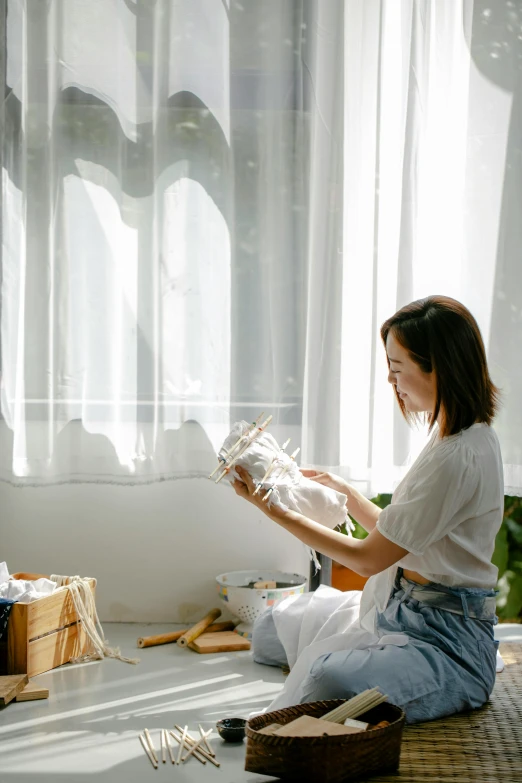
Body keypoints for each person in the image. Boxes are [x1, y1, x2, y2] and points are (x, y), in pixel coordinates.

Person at [233, 295, 503, 723]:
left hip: (444, 642)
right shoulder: (451, 435)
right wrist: (348, 494)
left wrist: (276, 510)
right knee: (269, 631)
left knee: (323, 681)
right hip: (400, 611)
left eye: (398, 370)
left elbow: (368, 559)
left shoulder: (458, 455)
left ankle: (463, 679)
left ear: (439, 366)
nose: (392, 381)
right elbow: (399, 539)